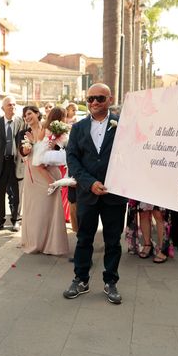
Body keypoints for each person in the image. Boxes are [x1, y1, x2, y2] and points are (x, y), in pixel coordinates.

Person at [64, 83, 127, 304]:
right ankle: (81, 279)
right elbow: (72, 158)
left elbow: (132, 156)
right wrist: (89, 183)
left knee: (113, 241)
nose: (93, 103)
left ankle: (111, 282)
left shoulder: (124, 125)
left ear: (110, 99)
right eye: (90, 98)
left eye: (99, 98)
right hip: (87, 194)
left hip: (114, 194)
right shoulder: (79, 128)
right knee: (84, 239)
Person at [18, 105, 69, 255]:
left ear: (37, 114)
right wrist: (28, 147)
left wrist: (54, 147)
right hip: (33, 175)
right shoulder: (23, 133)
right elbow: (22, 152)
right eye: (25, 115)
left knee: (50, 209)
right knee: (35, 210)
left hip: (50, 171)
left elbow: (59, 148)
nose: (27, 117)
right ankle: (35, 242)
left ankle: (51, 244)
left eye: (30, 114)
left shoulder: (49, 128)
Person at [0, 96, 24, 232]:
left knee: (16, 194)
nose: (12, 107)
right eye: (9, 105)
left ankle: (16, 220)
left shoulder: (21, 122)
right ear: (3, 108)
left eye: (14, 105)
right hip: (0, 163)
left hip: (15, 163)